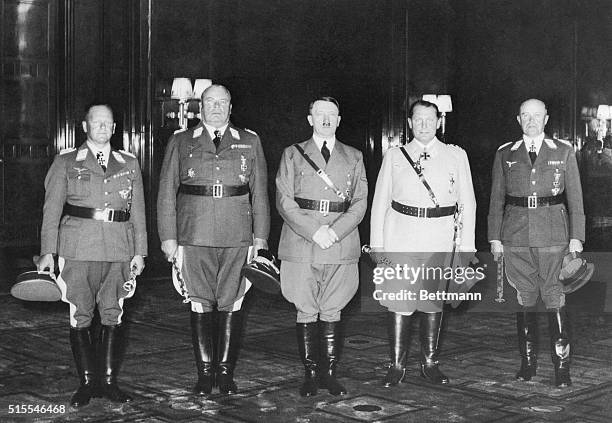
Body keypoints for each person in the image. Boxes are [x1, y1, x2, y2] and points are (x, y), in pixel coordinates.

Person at [157, 84, 270, 396]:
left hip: (238, 233)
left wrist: (260, 240)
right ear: (200, 106)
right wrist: (168, 236)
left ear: (231, 107)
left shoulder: (250, 140)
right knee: (199, 300)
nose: (217, 107)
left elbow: (260, 194)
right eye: (210, 102)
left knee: (233, 301)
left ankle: (225, 373)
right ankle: (205, 373)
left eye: (223, 102)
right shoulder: (181, 140)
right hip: (194, 233)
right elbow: (167, 191)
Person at [37, 102, 147, 407]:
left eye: (107, 124)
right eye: (96, 123)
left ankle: (109, 383)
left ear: (114, 128)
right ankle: (87, 383)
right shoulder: (66, 162)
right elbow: (52, 211)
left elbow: (138, 212)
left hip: (118, 249)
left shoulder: (128, 162)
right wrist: (48, 251)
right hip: (78, 248)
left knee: (113, 313)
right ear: (85, 126)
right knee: (80, 313)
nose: (102, 128)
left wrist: (140, 252)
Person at [370, 99, 476, 387]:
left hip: (439, 237)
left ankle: (430, 363)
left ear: (439, 122)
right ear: (410, 123)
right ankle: (396, 364)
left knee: (432, 302)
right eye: (419, 120)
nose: (425, 125)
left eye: (430, 119)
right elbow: (380, 201)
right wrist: (377, 245)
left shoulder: (456, 156)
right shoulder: (394, 156)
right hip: (400, 236)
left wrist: (466, 248)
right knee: (399, 301)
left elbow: (468, 203)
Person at [488, 98, 585, 388]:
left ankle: (561, 368)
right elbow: (496, 197)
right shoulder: (506, 153)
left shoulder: (564, 152)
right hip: (515, 235)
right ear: (518, 120)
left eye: (536, 116)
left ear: (546, 119)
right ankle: (527, 364)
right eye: (525, 116)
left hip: (554, 235)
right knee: (525, 298)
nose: (531, 121)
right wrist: (494, 237)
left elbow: (576, 199)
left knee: (555, 296)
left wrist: (576, 238)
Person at [276, 96, 367, 397]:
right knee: (305, 307)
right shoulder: (292, 154)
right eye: (320, 114)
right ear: (310, 118)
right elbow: (284, 201)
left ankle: (329, 374)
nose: (326, 119)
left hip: (340, 244)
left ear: (339, 120)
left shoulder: (354, 156)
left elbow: (359, 202)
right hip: (302, 241)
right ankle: (310, 374)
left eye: (332, 114)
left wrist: (335, 232)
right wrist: (315, 231)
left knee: (333, 308)